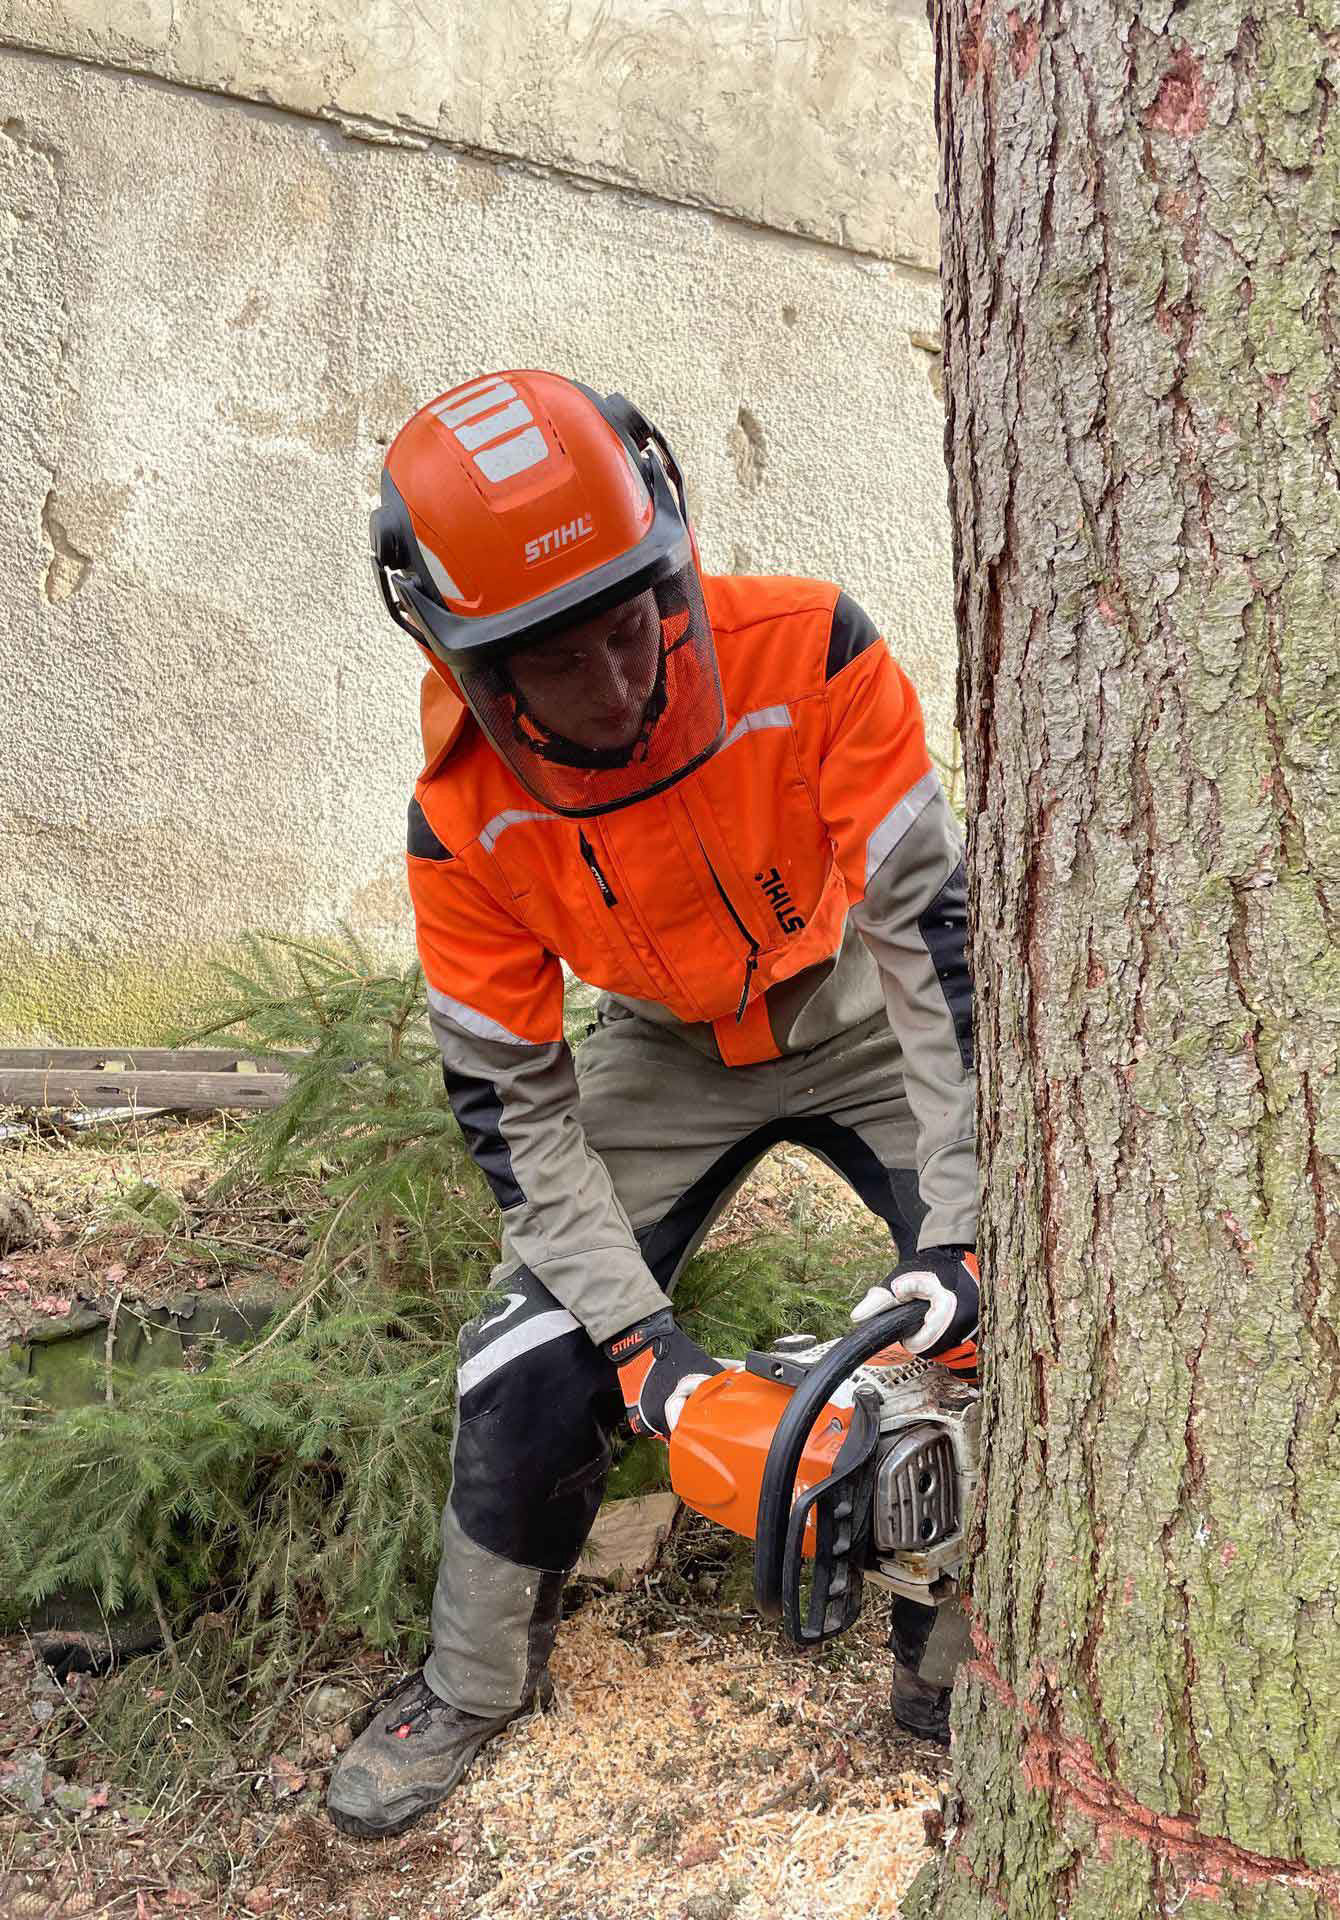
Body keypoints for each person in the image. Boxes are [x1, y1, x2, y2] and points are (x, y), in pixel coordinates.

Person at [326, 371, 979, 1838]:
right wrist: (648, 1356)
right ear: (470, 662)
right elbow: (518, 1115)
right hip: (660, 1040)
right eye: (562, 666)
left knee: (1007, 1298)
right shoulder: (459, 813)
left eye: (633, 627)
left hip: (856, 995)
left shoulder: (812, 651)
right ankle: (473, 1683)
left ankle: (951, 1657)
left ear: (671, 553)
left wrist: (965, 1241)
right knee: (526, 1362)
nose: (620, 690)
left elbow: (935, 953)